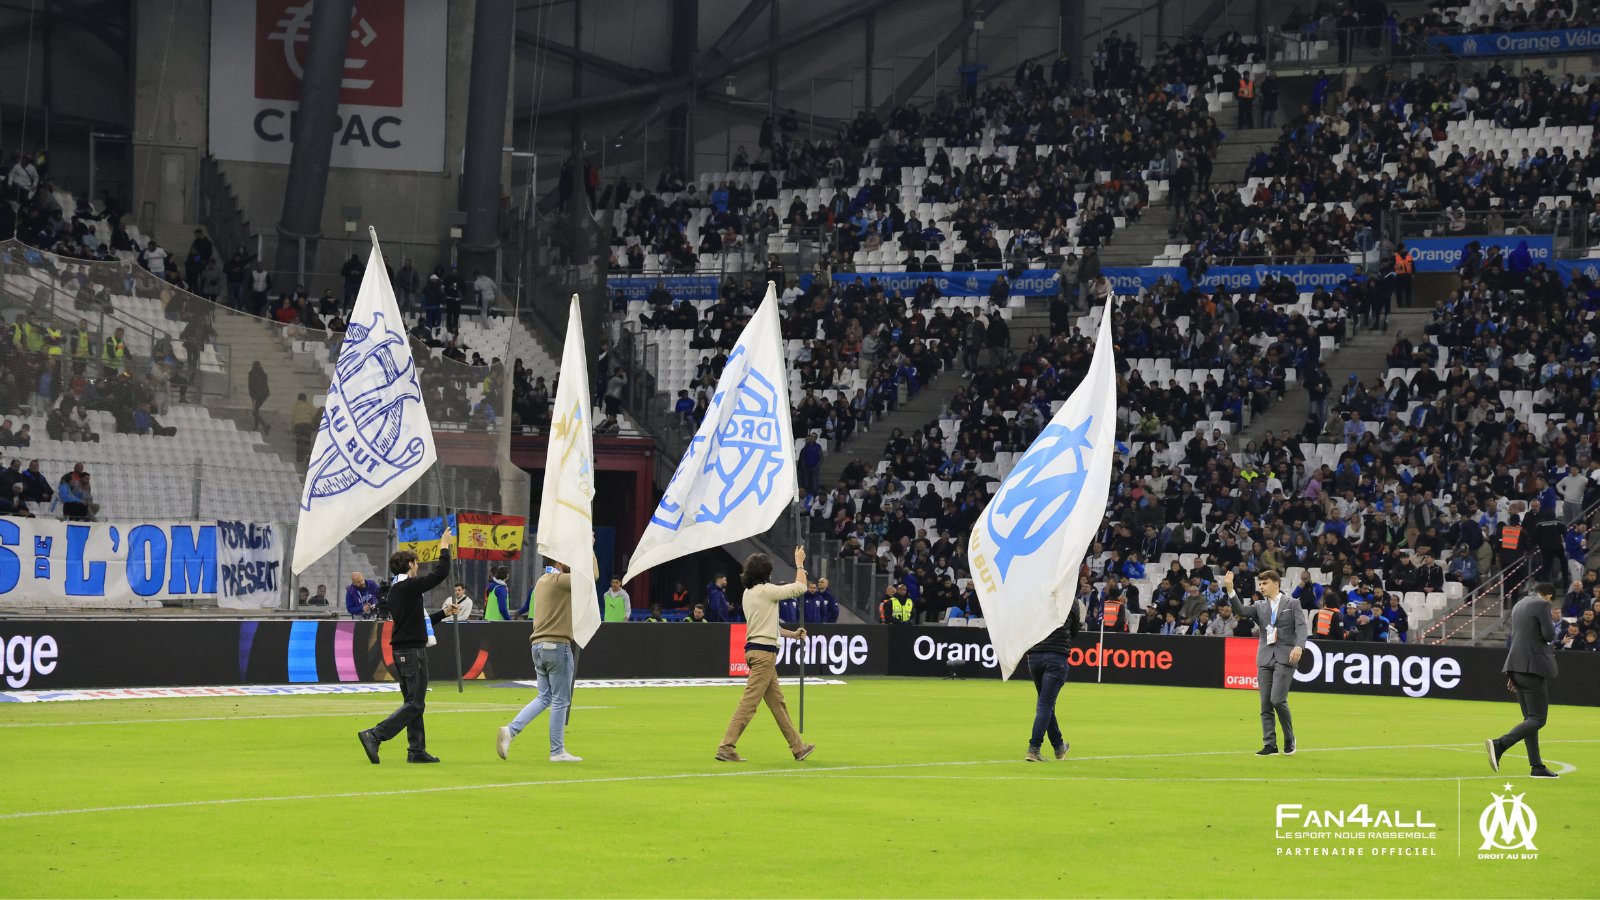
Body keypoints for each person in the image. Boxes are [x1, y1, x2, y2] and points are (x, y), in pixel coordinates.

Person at [358, 529, 456, 764]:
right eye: (417, 563)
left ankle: (416, 750)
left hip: (403, 648)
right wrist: (444, 547)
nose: (419, 567)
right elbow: (440, 574)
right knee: (416, 702)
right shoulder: (407, 587)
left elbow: (416, 622)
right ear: (410, 564)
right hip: (412, 651)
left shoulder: (397, 588)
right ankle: (375, 734)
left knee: (412, 701)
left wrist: (442, 614)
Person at [716, 546, 815, 762]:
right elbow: (800, 587)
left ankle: (798, 748)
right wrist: (799, 563)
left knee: (777, 703)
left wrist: (792, 634)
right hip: (764, 655)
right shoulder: (766, 590)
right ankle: (726, 746)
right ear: (765, 573)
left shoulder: (749, 593)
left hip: (755, 650)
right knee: (749, 703)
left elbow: (768, 626)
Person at [497, 549, 589, 762]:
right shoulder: (560, 580)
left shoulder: (542, 581)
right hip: (557, 645)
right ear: (559, 560)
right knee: (560, 701)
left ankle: (510, 731)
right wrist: (588, 549)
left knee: (544, 697)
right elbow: (590, 578)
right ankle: (557, 751)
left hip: (538, 646)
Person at [1224, 569, 1305, 755]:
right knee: (1265, 704)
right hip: (1264, 656)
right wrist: (1230, 590)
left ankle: (1289, 737)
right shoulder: (1259, 606)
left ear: (1276, 583)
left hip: (1286, 656)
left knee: (1277, 699)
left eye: (1264, 583)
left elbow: (1301, 627)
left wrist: (1299, 647)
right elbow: (1241, 611)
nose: (1261, 587)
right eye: (1259, 584)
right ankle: (1270, 744)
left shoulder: (1293, 603)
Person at [1487, 584, 1561, 778]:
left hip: (1515, 665)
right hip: (1532, 667)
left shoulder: (1519, 604)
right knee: (1538, 719)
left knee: (1530, 719)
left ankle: (1536, 766)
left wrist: (1512, 671)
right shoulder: (1542, 604)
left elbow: (1519, 637)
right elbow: (1549, 635)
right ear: (1548, 596)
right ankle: (1500, 744)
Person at [1023, 606, 1080, 762]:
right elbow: (1075, 629)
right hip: (1056, 656)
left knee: (1046, 704)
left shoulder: (1039, 595)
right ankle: (1034, 748)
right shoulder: (1070, 599)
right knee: (1045, 705)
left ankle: (1058, 746)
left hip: (1034, 656)